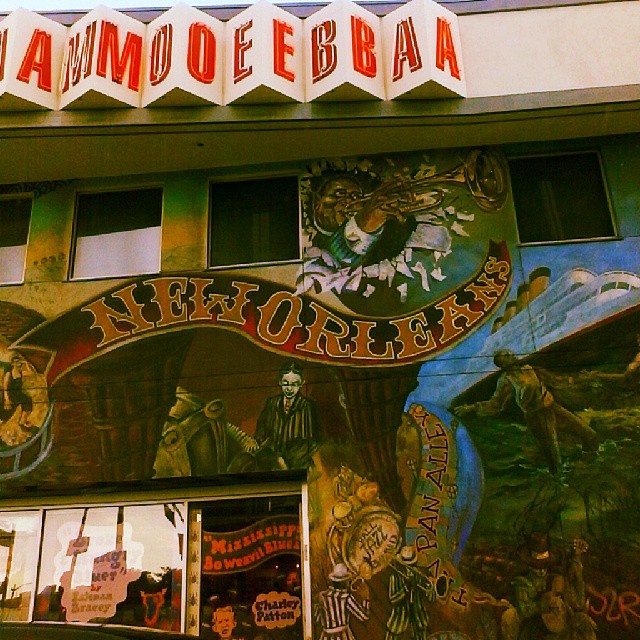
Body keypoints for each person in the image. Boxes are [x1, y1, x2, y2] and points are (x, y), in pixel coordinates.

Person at [454, 350, 598, 474]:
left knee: (589, 434)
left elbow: (556, 380)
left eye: (509, 353)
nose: (512, 355)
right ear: (502, 364)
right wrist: (472, 407)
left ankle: (590, 461)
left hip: (552, 408)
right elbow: (495, 403)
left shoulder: (529, 369)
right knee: (553, 456)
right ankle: (560, 481)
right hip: (536, 416)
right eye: (506, 356)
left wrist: (581, 380)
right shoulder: (507, 380)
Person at [255, 362, 319, 469]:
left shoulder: (307, 406)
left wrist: (287, 461)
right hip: (271, 463)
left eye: (294, 384)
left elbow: (312, 441)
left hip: (299, 466)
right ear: (280, 382)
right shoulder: (272, 404)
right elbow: (260, 433)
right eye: (286, 383)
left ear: (302, 383)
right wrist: (275, 457)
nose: (289, 388)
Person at [385, 545, 435, 640]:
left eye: (411, 565)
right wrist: (406, 587)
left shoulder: (419, 575)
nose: (409, 569)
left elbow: (431, 598)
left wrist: (431, 588)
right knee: (393, 634)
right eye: (406, 566)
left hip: (417, 614)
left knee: (420, 634)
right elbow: (393, 599)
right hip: (400, 615)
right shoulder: (395, 577)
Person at [314, 563, 370, 640]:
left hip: (326, 637)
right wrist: (366, 598)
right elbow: (363, 616)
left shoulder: (322, 596)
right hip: (343, 636)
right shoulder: (346, 597)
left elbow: (316, 619)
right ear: (344, 582)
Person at [2, 355, 35, 429]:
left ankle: (23, 421)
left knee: (28, 401)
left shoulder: (21, 373)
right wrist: (7, 399)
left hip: (18, 394)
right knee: (7, 414)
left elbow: (31, 373)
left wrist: (26, 363)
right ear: (12, 364)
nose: (18, 363)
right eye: (16, 362)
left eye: (19, 361)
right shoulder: (9, 374)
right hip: (10, 395)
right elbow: (5, 387)